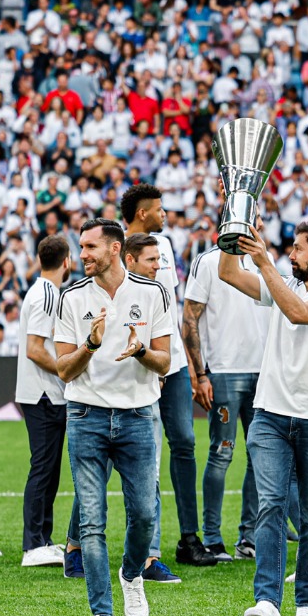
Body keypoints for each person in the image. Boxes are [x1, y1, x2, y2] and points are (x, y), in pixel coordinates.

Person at [220, 220, 308, 616]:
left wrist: (264, 263)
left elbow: (298, 315)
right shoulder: (287, 283)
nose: (290, 254)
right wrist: (235, 228)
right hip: (270, 415)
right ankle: (266, 601)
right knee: (271, 505)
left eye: (297, 249)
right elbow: (229, 273)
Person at [54, 218, 172, 616]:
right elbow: (64, 369)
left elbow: (165, 364)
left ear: (115, 248)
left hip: (139, 416)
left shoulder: (153, 292)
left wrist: (141, 350)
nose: (81, 254)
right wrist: (91, 343)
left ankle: (131, 574)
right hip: (85, 416)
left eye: (89, 247)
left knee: (144, 513)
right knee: (92, 521)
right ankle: (101, 615)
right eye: (80, 247)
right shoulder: (70, 296)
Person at [121, 184, 216, 567]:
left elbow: (171, 309)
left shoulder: (164, 245)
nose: (165, 214)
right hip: (139, 362)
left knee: (186, 442)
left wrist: (193, 370)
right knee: (146, 455)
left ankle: (188, 538)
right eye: (159, 209)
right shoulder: (115, 245)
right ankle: (147, 548)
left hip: (173, 363)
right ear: (143, 213)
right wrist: (150, 360)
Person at [182, 222, 270, 562]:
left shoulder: (265, 259)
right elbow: (189, 317)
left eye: (260, 220)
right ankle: (214, 538)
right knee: (222, 453)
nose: (258, 225)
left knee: (259, 456)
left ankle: (249, 536)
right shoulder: (208, 261)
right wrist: (200, 373)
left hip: (264, 373)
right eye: (253, 219)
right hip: (224, 371)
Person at [16, 234, 72, 568]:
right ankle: (33, 544)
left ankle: (42, 539)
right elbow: (35, 347)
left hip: (43, 392)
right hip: (44, 393)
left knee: (48, 469)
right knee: (43, 467)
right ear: (66, 261)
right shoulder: (47, 295)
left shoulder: (43, 292)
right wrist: (65, 371)